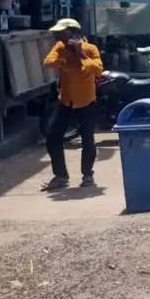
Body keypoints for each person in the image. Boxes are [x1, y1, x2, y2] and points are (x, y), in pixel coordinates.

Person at [41, 18, 104, 190]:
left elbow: (98, 69)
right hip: (66, 100)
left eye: (61, 32)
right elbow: (48, 62)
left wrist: (80, 55)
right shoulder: (60, 48)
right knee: (53, 136)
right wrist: (66, 61)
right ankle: (60, 176)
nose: (57, 35)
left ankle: (87, 175)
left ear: (73, 33)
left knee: (87, 139)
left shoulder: (90, 49)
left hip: (86, 101)